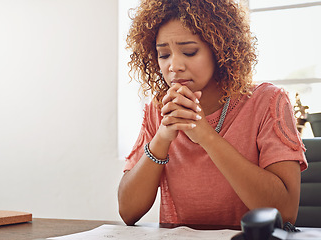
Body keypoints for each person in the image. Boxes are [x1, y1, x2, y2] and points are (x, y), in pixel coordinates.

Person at [118, 0, 307, 227]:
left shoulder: (267, 102)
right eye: (164, 55)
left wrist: (206, 136)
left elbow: (285, 213)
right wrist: (161, 138)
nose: (174, 65)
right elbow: (127, 212)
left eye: (189, 51)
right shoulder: (159, 110)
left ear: (220, 51)